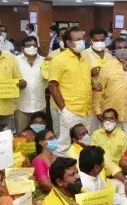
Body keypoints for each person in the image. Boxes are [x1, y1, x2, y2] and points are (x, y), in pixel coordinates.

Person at [49, 26, 92, 156]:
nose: (81, 41)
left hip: (86, 110)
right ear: (68, 42)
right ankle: (59, 174)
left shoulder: (85, 58)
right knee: (64, 146)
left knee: (85, 144)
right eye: (77, 39)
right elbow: (52, 86)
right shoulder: (59, 60)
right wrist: (64, 110)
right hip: (70, 110)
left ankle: (80, 173)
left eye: (82, 38)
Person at [94, 38, 127, 141]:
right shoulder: (106, 67)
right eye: (119, 48)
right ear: (114, 51)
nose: (123, 50)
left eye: (125, 47)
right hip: (111, 115)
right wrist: (97, 111)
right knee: (110, 145)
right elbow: (99, 90)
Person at [83, 28, 113, 133]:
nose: (100, 43)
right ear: (91, 40)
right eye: (96, 40)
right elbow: (79, 75)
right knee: (91, 128)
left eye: (102, 40)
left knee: (106, 126)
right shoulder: (84, 55)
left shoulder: (109, 55)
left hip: (107, 96)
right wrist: (90, 73)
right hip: (91, 97)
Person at [15, 36, 48, 133]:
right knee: (22, 136)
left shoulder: (44, 61)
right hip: (21, 105)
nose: (31, 47)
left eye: (34, 45)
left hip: (39, 104)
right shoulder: (15, 61)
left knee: (40, 135)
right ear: (22, 48)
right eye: (28, 45)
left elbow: (47, 80)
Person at [32, 129, 58, 193]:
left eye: (54, 137)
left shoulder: (56, 157)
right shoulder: (38, 161)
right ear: (42, 143)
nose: (54, 140)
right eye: (51, 138)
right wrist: (64, 192)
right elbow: (46, 185)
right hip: (49, 196)